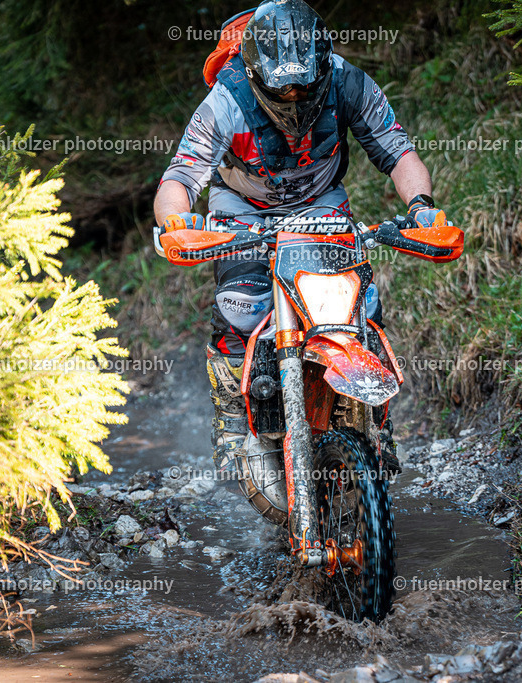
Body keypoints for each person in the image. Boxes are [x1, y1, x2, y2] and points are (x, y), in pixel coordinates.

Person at [153, 0, 441, 514]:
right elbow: (179, 178)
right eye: (281, 88)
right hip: (244, 208)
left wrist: (421, 208)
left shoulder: (348, 83)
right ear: (256, 73)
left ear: (322, 64)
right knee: (239, 306)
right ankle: (232, 422)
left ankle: (377, 425)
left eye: (303, 86)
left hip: (320, 204)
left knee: (359, 306)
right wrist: (177, 222)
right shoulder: (226, 100)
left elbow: (397, 151)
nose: (293, 97)